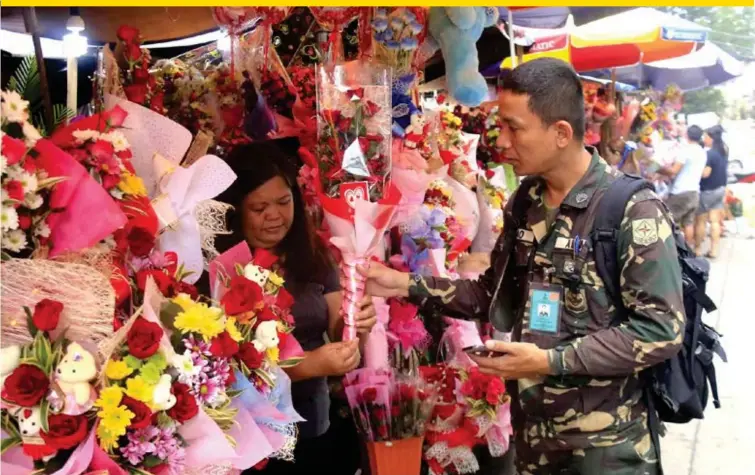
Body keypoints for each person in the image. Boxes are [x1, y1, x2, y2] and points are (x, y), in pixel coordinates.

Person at [358, 58, 684, 475]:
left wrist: (549, 362)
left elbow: (661, 330)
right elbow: (487, 295)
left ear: (561, 133)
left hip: (607, 450)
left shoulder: (631, 211)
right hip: (533, 442)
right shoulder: (526, 201)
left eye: (515, 127)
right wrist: (403, 283)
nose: (502, 140)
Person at [212, 142, 377, 475]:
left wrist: (356, 325)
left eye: (284, 202)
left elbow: (337, 331)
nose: (274, 216)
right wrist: (308, 365)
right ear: (235, 209)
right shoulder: (216, 269)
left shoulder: (314, 256)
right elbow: (224, 365)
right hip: (249, 441)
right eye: (259, 208)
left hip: (315, 426)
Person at [661, 125, 707, 245]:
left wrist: (657, 168)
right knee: (688, 223)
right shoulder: (702, 152)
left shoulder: (686, 151)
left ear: (687, 135)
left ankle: (670, 250)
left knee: (667, 221)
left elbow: (674, 171)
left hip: (681, 192)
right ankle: (688, 252)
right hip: (694, 192)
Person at [694, 125, 729, 258]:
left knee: (701, 220)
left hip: (707, 191)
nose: (704, 139)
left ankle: (697, 250)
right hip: (720, 189)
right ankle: (714, 250)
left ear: (711, 138)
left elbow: (706, 174)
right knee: (714, 221)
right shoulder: (723, 151)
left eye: (706, 137)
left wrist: (696, 172)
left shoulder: (709, 154)